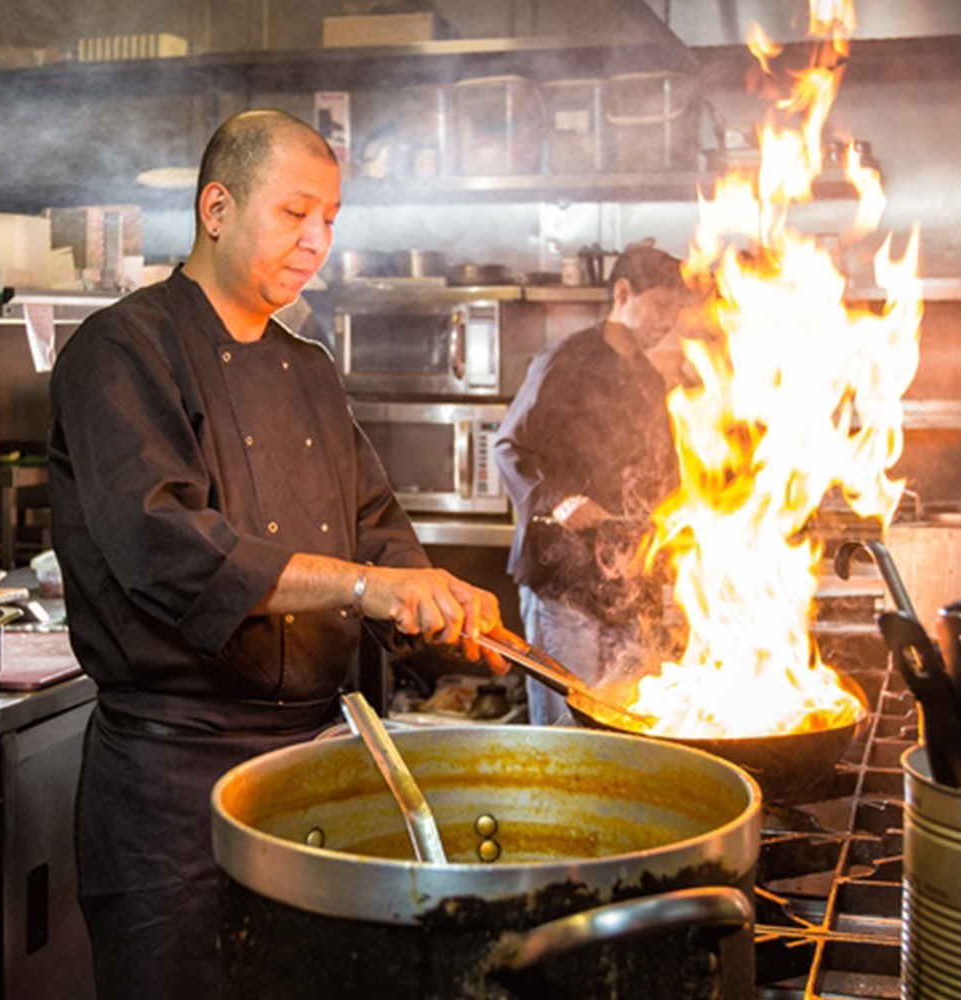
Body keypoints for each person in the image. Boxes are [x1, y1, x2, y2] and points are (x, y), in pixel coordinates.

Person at [47, 110, 503, 1000]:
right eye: (295, 213)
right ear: (216, 207)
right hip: (176, 788)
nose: (318, 242)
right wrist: (372, 587)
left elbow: (374, 530)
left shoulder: (309, 368)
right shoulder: (121, 350)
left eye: (330, 218)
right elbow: (168, 551)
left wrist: (441, 617)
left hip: (320, 770)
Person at [492, 241, 712, 725]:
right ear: (623, 291)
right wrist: (559, 499)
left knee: (627, 725)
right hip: (563, 582)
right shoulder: (565, 361)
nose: (668, 321)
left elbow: (662, 479)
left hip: (627, 585)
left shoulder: (649, 381)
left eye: (677, 310)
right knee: (567, 733)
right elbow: (509, 448)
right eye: (662, 306)